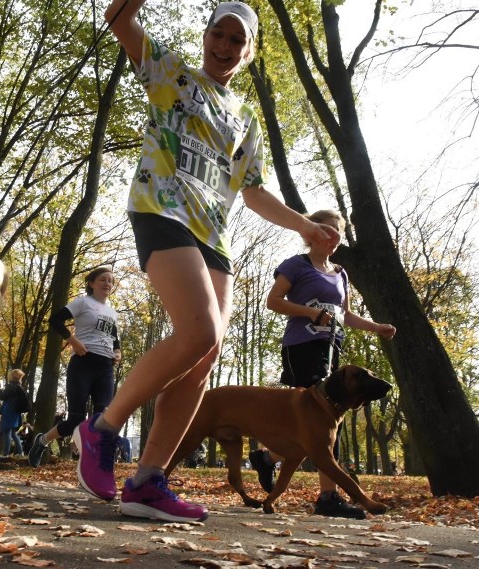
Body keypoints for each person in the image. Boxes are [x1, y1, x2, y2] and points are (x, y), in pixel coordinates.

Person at [71, 1, 342, 523]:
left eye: (237, 40)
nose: (225, 47)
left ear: (249, 49)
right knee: (200, 332)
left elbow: (254, 192)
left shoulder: (245, 117)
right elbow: (120, 21)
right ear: (206, 35)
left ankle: (148, 480)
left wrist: (304, 226)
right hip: (162, 210)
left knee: (204, 357)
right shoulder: (171, 72)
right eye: (219, 34)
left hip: (213, 235)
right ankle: (101, 430)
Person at [252, 208, 396, 519]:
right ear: (309, 232)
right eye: (326, 229)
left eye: (338, 232)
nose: (333, 236)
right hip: (301, 347)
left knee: (325, 422)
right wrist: (310, 313)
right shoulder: (296, 265)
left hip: (332, 348)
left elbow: (345, 316)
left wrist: (377, 327)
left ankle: (268, 458)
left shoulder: (341, 273)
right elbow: (273, 301)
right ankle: (328, 497)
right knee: (323, 421)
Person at [28, 267, 122, 467]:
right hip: (83, 363)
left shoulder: (112, 312)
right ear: (91, 283)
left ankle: (94, 463)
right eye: (103, 280)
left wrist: (118, 352)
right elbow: (55, 320)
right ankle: (42, 441)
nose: (107, 284)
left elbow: (114, 336)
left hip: (105, 367)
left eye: (111, 281)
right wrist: (73, 340)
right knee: (75, 419)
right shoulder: (83, 302)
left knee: (102, 417)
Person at [0, 369, 30, 456]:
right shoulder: (19, 387)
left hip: (9, 410)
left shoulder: (10, 386)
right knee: (13, 433)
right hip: (16, 411)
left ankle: (5, 454)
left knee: (7, 431)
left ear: (12, 376)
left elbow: (3, 397)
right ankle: (20, 452)